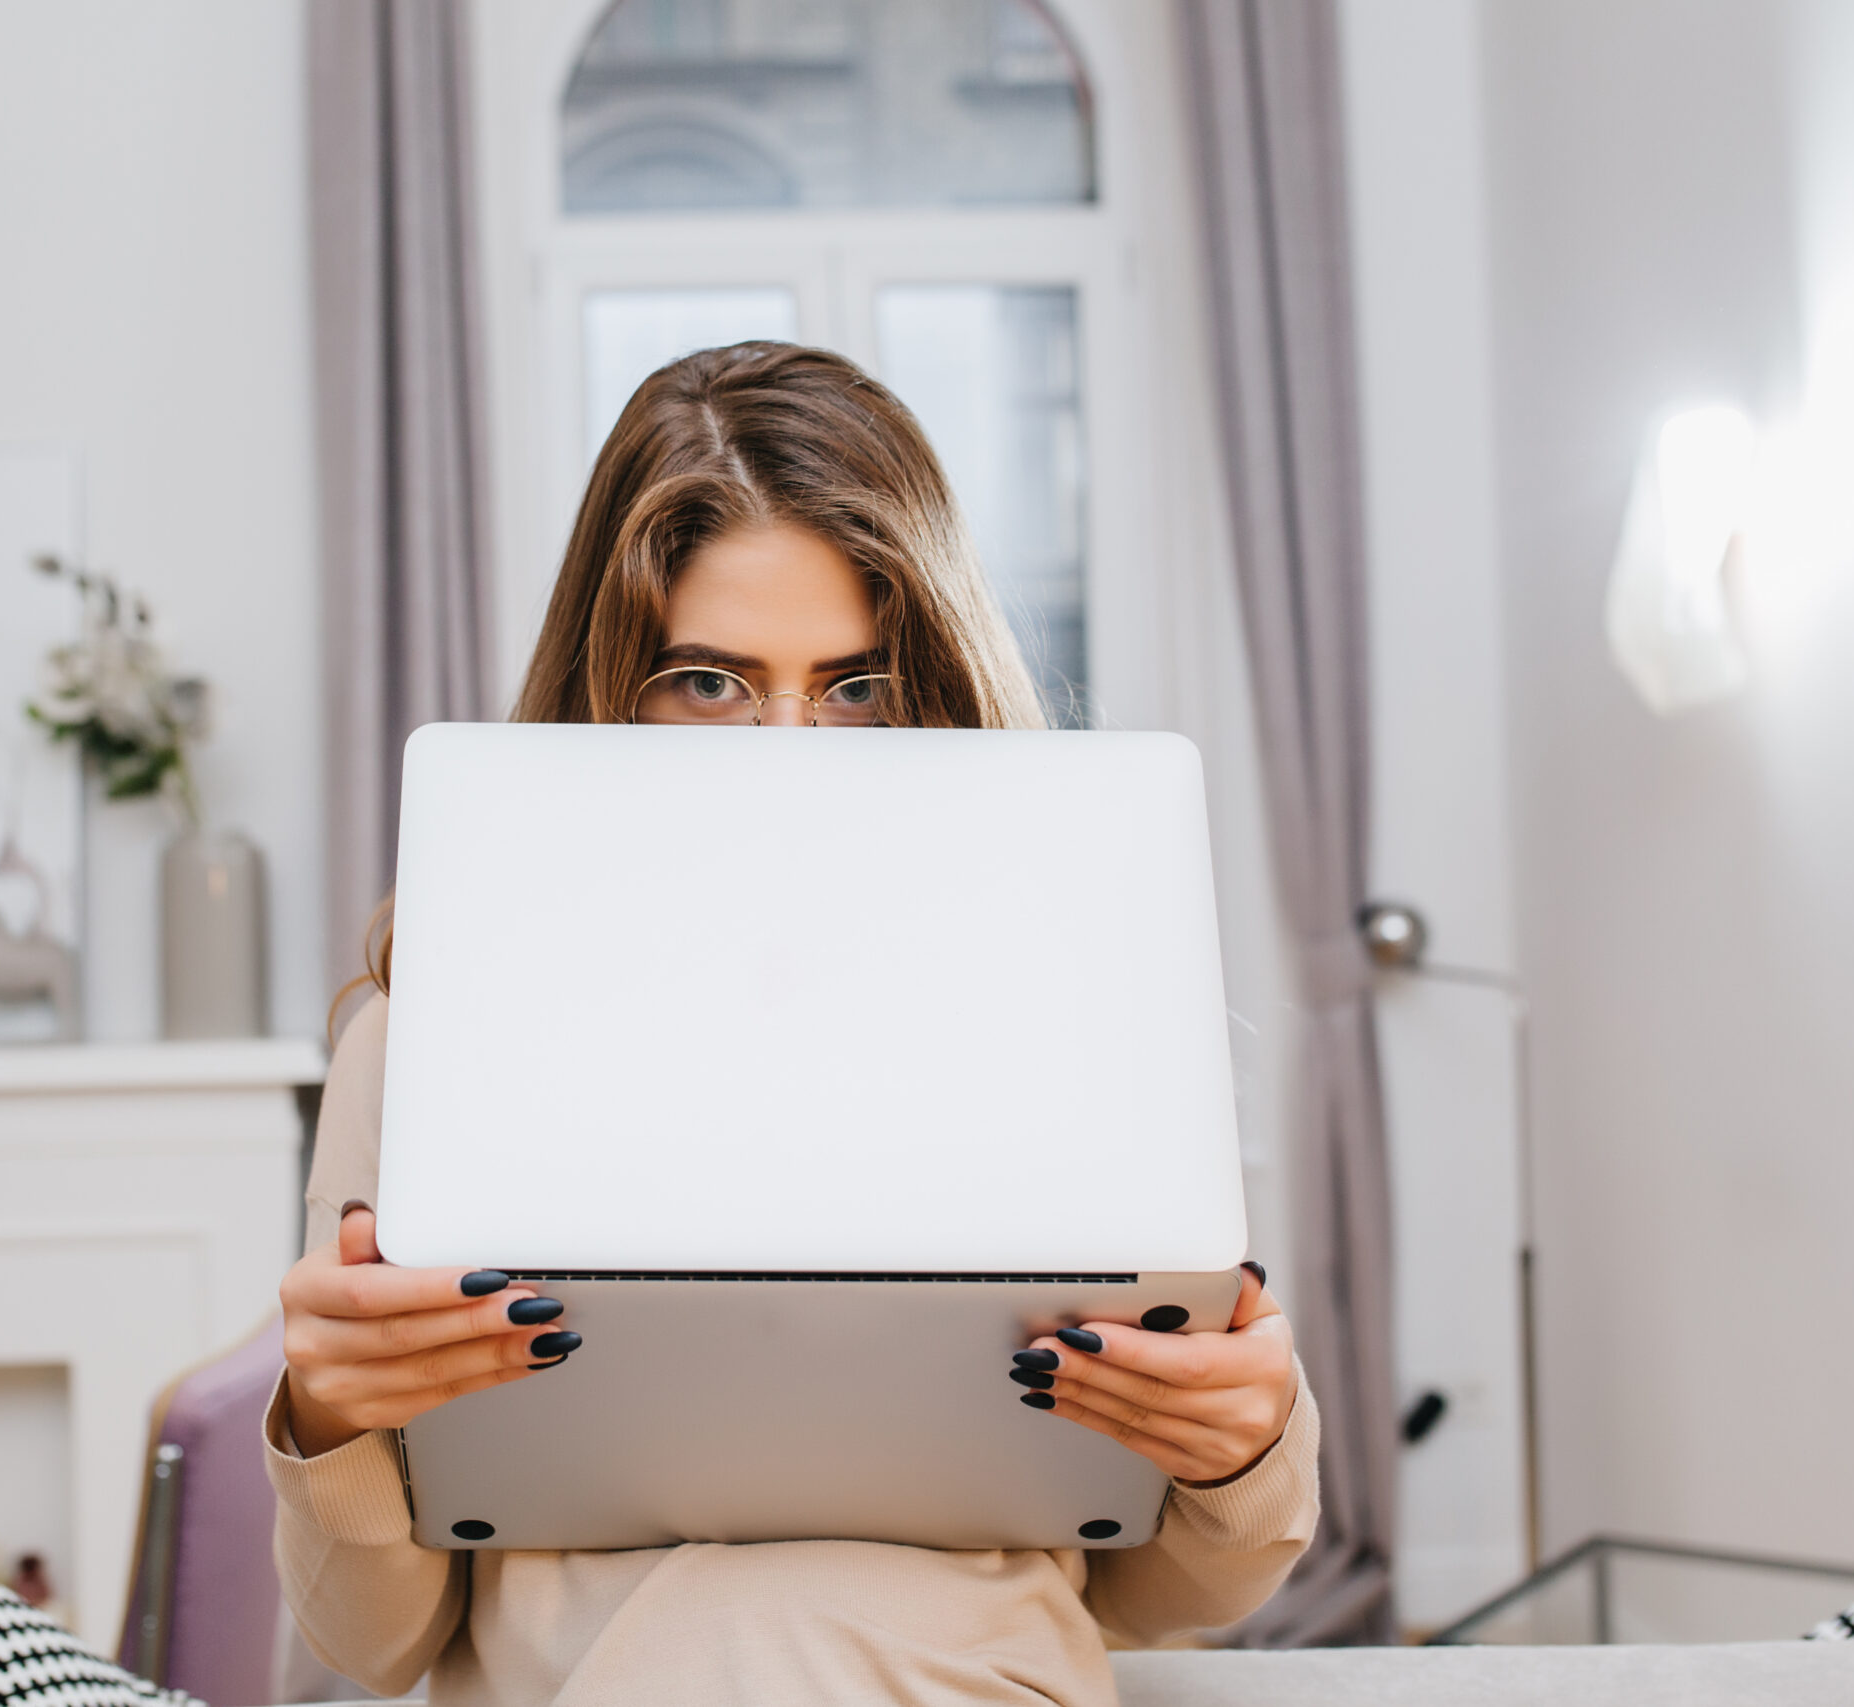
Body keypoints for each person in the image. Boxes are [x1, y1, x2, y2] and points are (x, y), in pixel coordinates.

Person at [267, 342, 1317, 1705]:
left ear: (932, 690)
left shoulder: (1065, 1009)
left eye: (855, 687)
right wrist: (336, 1427)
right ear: (610, 690)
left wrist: (1238, 1451)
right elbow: (377, 1643)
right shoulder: (426, 1051)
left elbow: (1160, 1597)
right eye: (709, 681)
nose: (787, 757)